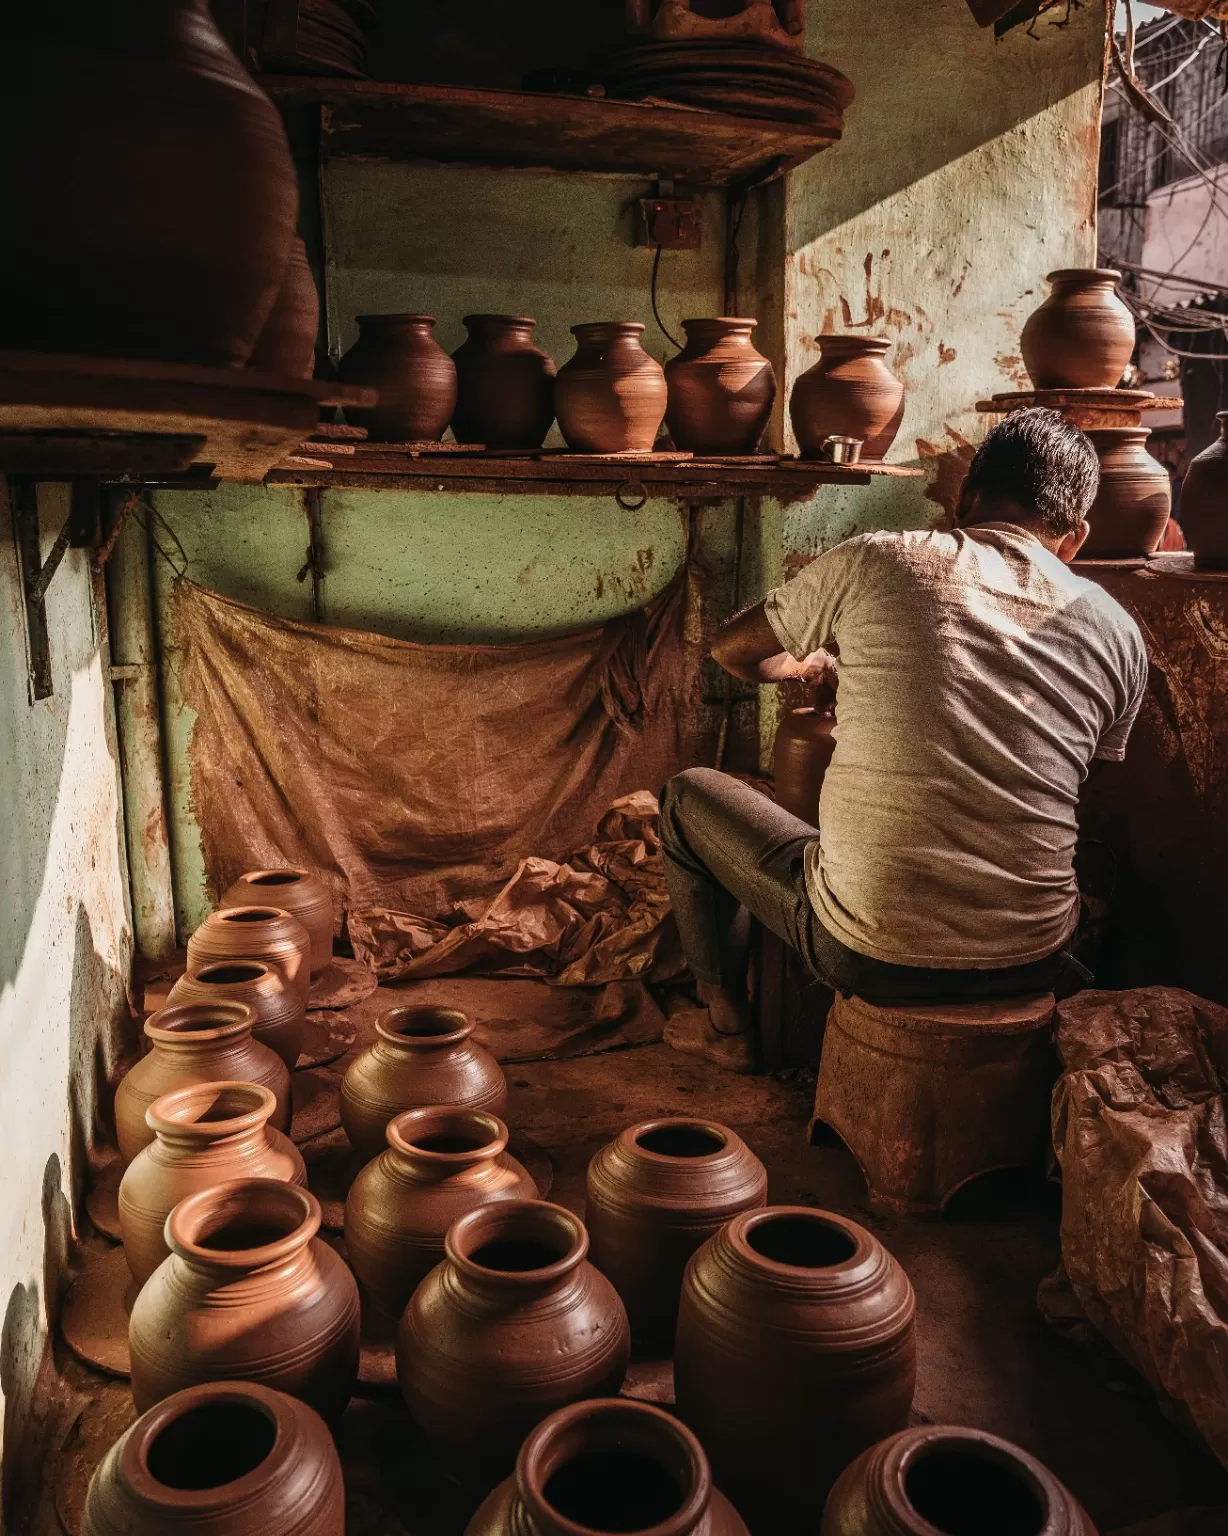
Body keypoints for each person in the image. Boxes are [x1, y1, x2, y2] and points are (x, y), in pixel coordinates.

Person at [659, 407, 1148, 1071]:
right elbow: (1074, 784)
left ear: (965, 497)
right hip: (1036, 957)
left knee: (688, 798)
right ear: (1076, 538)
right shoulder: (1117, 630)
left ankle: (726, 1025)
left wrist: (810, 664)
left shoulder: (881, 559)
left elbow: (732, 650)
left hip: (872, 953)